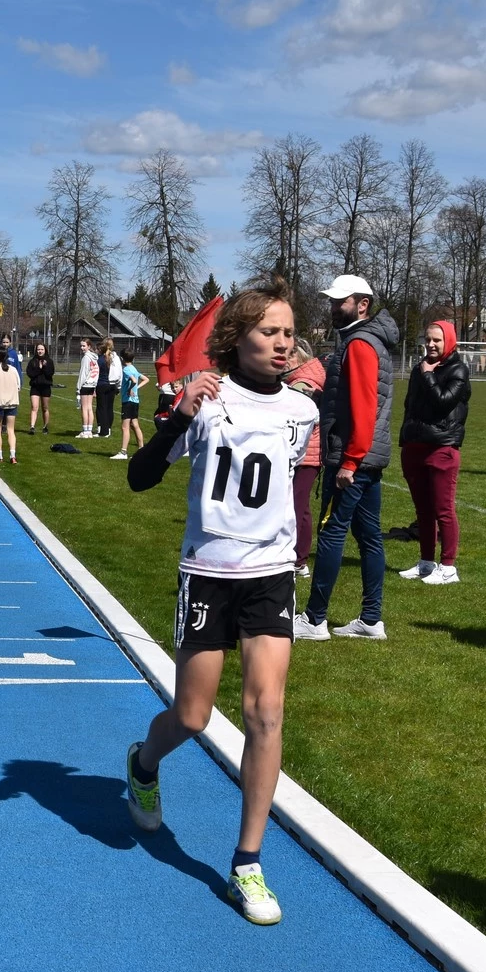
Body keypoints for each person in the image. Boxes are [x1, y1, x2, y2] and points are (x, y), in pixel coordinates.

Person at [123, 277, 315, 927]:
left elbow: (291, 488)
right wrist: (179, 414)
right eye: (270, 331)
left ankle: (247, 862)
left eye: (289, 333)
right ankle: (143, 761)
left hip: (270, 575)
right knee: (194, 716)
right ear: (237, 337)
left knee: (266, 712)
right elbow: (140, 477)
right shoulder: (205, 399)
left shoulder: (303, 411)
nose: (283, 343)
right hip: (208, 575)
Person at [296, 274, 400, 642]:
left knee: (331, 532)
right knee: (369, 535)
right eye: (332, 301)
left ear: (362, 305)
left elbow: (364, 405)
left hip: (352, 458)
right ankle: (371, 619)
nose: (333, 307)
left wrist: (351, 461)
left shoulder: (359, 343)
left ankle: (314, 619)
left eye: (340, 301)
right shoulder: (365, 340)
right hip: (368, 456)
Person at [397, 320, 470, 586]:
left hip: (442, 447)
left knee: (443, 509)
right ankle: (426, 562)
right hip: (415, 447)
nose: (430, 344)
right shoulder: (420, 368)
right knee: (423, 510)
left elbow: (443, 401)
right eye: (427, 339)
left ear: (448, 341)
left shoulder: (458, 369)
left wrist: (428, 376)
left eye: (436, 340)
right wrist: (406, 438)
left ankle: (448, 567)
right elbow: (410, 406)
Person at [285, 341, 325, 577]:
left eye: (287, 357)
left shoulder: (302, 383)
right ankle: (300, 558)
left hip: (305, 454)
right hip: (308, 453)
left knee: (294, 507)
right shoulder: (305, 378)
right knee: (302, 508)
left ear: (297, 358)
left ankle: (295, 559)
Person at [112, 347, 147, 460]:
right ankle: (142, 450)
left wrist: (131, 388)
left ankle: (123, 452)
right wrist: (136, 388)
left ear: (122, 358)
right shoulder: (134, 369)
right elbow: (146, 379)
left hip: (128, 402)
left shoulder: (126, 370)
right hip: (135, 401)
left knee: (125, 427)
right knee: (135, 425)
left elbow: (134, 380)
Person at [95, 339, 121, 440]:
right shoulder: (116, 357)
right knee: (109, 408)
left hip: (103, 384)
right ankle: (108, 429)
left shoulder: (101, 359)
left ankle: (103, 431)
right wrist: (118, 386)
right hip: (113, 385)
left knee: (102, 408)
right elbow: (120, 373)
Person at [28, 341, 56, 435]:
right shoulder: (32, 361)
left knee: (45, 408)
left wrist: (44, 367)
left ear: (45, 350)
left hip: (45, 387)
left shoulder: (49, 361)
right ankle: (32, 427)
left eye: (42, 349)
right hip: (35, 387)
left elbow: (50, 373)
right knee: (34, 407)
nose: (40, 351)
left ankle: (45, 427)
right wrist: (38, 368)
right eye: (38, 349)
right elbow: (30, 374)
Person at [76, 338, 99, 437]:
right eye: (81, 346)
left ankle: (85, 431)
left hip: (85, 385)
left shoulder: (86, 358)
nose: (82, 348)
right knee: (89, 408)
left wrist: (78, 388)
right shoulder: (94, 357)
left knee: (84, 408)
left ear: (89, 346)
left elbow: (83, 374)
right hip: (92, 384)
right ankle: (89, 431)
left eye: (84, 346)